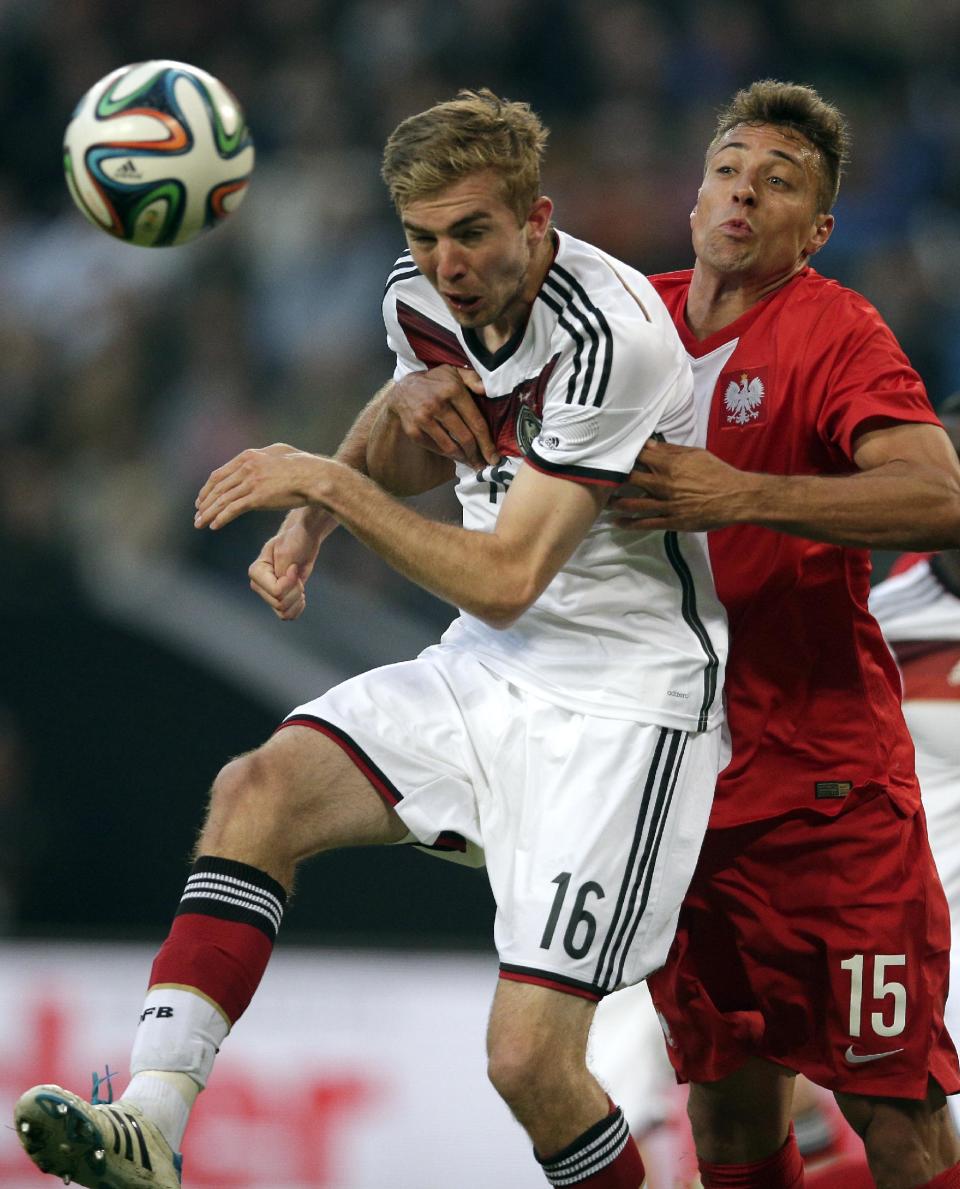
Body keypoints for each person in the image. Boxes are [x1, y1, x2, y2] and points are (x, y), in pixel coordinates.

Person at [13, 90, 728, 1189]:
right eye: (423, 237)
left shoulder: (611, 335)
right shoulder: (421, 299)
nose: (446, 263)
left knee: (529, 1064)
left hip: (627, 708)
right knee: (258, 790)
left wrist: (325, 482)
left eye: (473, 233)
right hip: (491, 668)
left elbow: (505, 575)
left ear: (538, 219)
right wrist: (313, 521)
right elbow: (409, 430)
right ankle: (153, 1117)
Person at [375, 81, 960, 1188]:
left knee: (895, 1115)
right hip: (678, 785)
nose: (745, 192)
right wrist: (410, 401)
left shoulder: (833, 329)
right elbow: (456, 422)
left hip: (827, 792)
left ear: (816, 229)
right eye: (729, 168)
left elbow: (940, 497)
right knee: (730, 1119)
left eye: (779, 182)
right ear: (695, 193)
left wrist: (736, 493)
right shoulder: (622, 320)